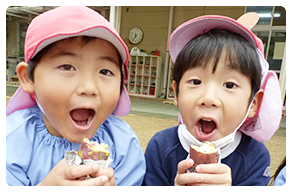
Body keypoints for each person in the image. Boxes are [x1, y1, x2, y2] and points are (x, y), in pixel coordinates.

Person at [6, 6, 145, 186]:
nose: (89, 87)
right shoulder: (10, 141)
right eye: (67, 67)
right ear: (27, 77)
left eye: (105, 71)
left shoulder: (123, 144)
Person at [143, 14, 282, 186]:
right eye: (195, 82)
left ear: (253, 103)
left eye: (229, 85)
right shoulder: (160, 147)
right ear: (176, 93)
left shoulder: (256, 157)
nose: (208, 98)